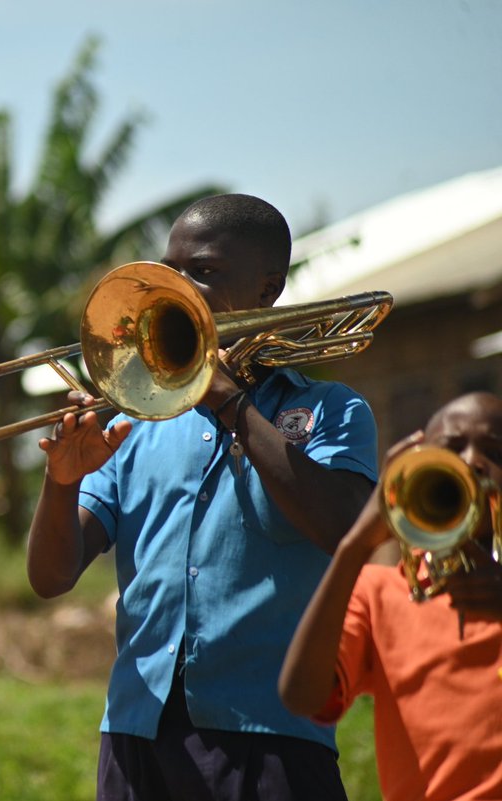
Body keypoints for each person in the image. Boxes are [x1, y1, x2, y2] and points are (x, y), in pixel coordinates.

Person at [27, 194, 379, 800]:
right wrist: (60, 483)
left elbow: (341, 529)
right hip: (136, 734)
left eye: (206, 272)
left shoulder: (331, 410)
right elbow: (51, 577)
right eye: (173, 269)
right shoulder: (136, 426)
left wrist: (229, 401)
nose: (180, 287)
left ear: (269, 289)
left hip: (272, 735)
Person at [279, 391, 502, 801]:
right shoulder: (383, 590)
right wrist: (355, 546)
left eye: (494, 452)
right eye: (453, 449)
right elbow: (301, 695)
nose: (472, 461)